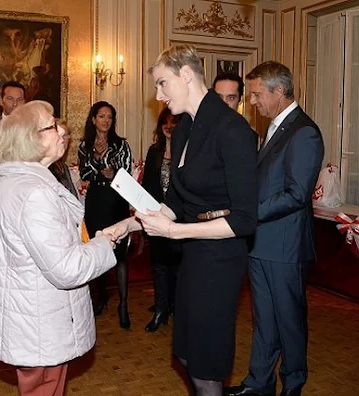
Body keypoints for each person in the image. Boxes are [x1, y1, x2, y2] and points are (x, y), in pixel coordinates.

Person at [104, 45, 258, 396]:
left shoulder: (233, 129)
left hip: (221, 258)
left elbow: (245, 220)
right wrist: (130, 224)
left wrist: (174, 231)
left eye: (162, 84)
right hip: (195, 254)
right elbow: (175, 200)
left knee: (205, 367)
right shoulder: (187, 126)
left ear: (186, 75)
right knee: (186, 355)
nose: (158, 96)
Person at [0, 100, 117, 396]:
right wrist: (105, 243)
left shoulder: (14, 182)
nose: (63, 130)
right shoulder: (33, 192)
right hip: (38, 319)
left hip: (32, 314)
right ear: (30, 139)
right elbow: (67, 269)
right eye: (52, 125)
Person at [225, 62, 324, 396]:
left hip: (285, 247)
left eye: (256, 94)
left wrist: (248, 214)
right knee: (265, 321)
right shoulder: (276, 128)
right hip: (262, 244)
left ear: (278, 91)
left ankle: (292, 386)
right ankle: (259, 384)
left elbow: (297, 194)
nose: (252, 102)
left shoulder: (304, 131)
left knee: (289, 323)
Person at [78, 101, 133, 329]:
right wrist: (101, 168)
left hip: (116, 200)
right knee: (97, 249)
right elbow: (84, 173)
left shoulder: (121, 144)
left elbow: (127, 173)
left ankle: (123, 305)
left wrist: (113, 174)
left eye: (110, 117)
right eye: (102, 116)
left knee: (119, 254)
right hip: (96, 200)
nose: (106, 121)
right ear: (93, 119)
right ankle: (101, 297)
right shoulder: (84, 145)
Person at [141, 108, 182, 332]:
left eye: (174, 122)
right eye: (165, 122)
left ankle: (175, 306)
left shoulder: (187, 152)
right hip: (156, 217)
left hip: (179, 219)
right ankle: (160, 309)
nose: (169, 126)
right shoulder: (153, 152)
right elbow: (147, 185)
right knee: (158, 264)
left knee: (176, 265)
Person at [48, 121, 78, 198]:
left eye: (65, 136)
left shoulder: (63, 166)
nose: (62, 140)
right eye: (59, 135)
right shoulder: (47, 165)